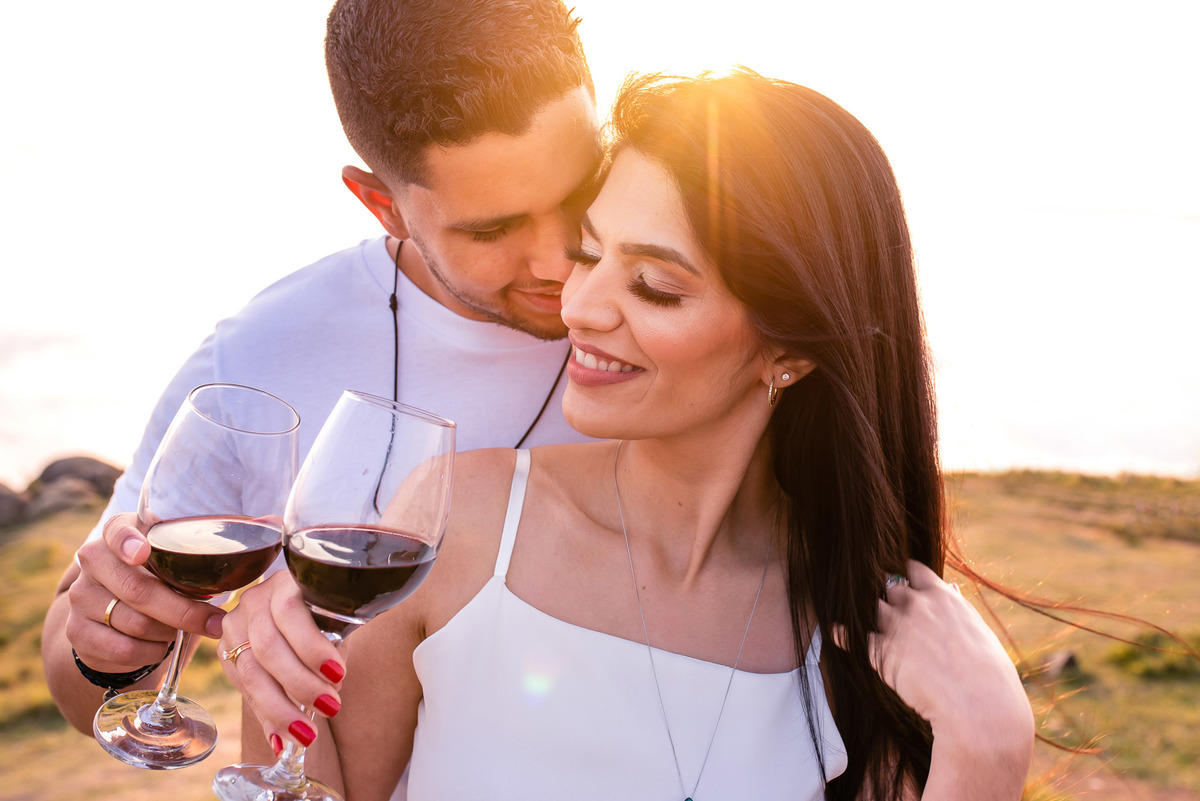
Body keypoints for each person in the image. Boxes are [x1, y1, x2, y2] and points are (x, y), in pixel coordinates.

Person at [220, 70, 1035, 800]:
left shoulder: (869, 627)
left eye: (652, 286)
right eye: (589, 253)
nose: (579, 305)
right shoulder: (461, 520)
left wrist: (988, 753)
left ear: (786, 351)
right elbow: (304, 785)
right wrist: (273, 669)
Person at [42, 0, 601, 737]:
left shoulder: (690, 319)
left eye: (581, 188)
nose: (560, 259)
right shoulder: (260, 352)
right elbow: (81, 683)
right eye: (493, 228)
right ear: (383, 205)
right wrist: (104, 646)